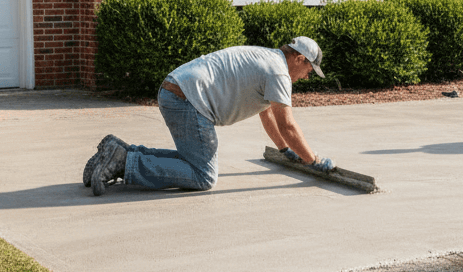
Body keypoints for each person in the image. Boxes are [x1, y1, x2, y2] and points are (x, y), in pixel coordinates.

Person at [84, 37, 336, 196]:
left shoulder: (267, 57)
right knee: (203, 175)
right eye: (308, 70)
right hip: (190, 101)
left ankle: (119, 152)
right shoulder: (279, 73)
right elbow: (288, 125)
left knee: (191, 161)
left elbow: (267, 113)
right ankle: (124, 163)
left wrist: (284, 151)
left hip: (176, 91)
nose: (306, 76)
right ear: (299, 58)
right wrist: (312, 160)